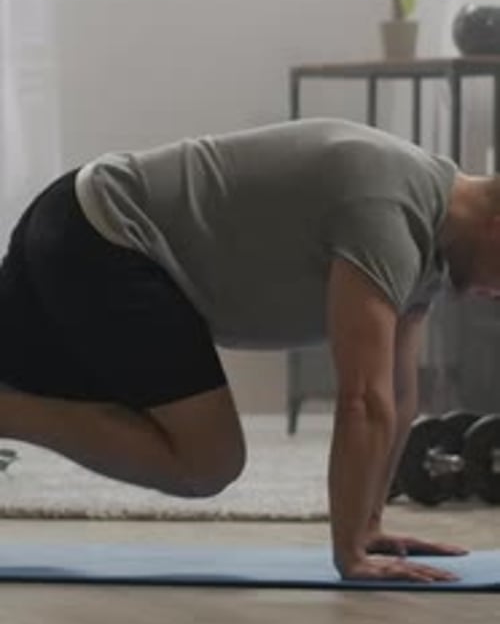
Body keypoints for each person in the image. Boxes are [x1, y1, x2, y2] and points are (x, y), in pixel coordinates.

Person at [0, 116, 497, 582]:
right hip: (101, 239)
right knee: (208, 460)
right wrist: (350, 553)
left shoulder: (429, 243)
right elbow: (364, 399)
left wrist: (369, 524)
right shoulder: (392, 210)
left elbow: (398, 391)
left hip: (82, 225)